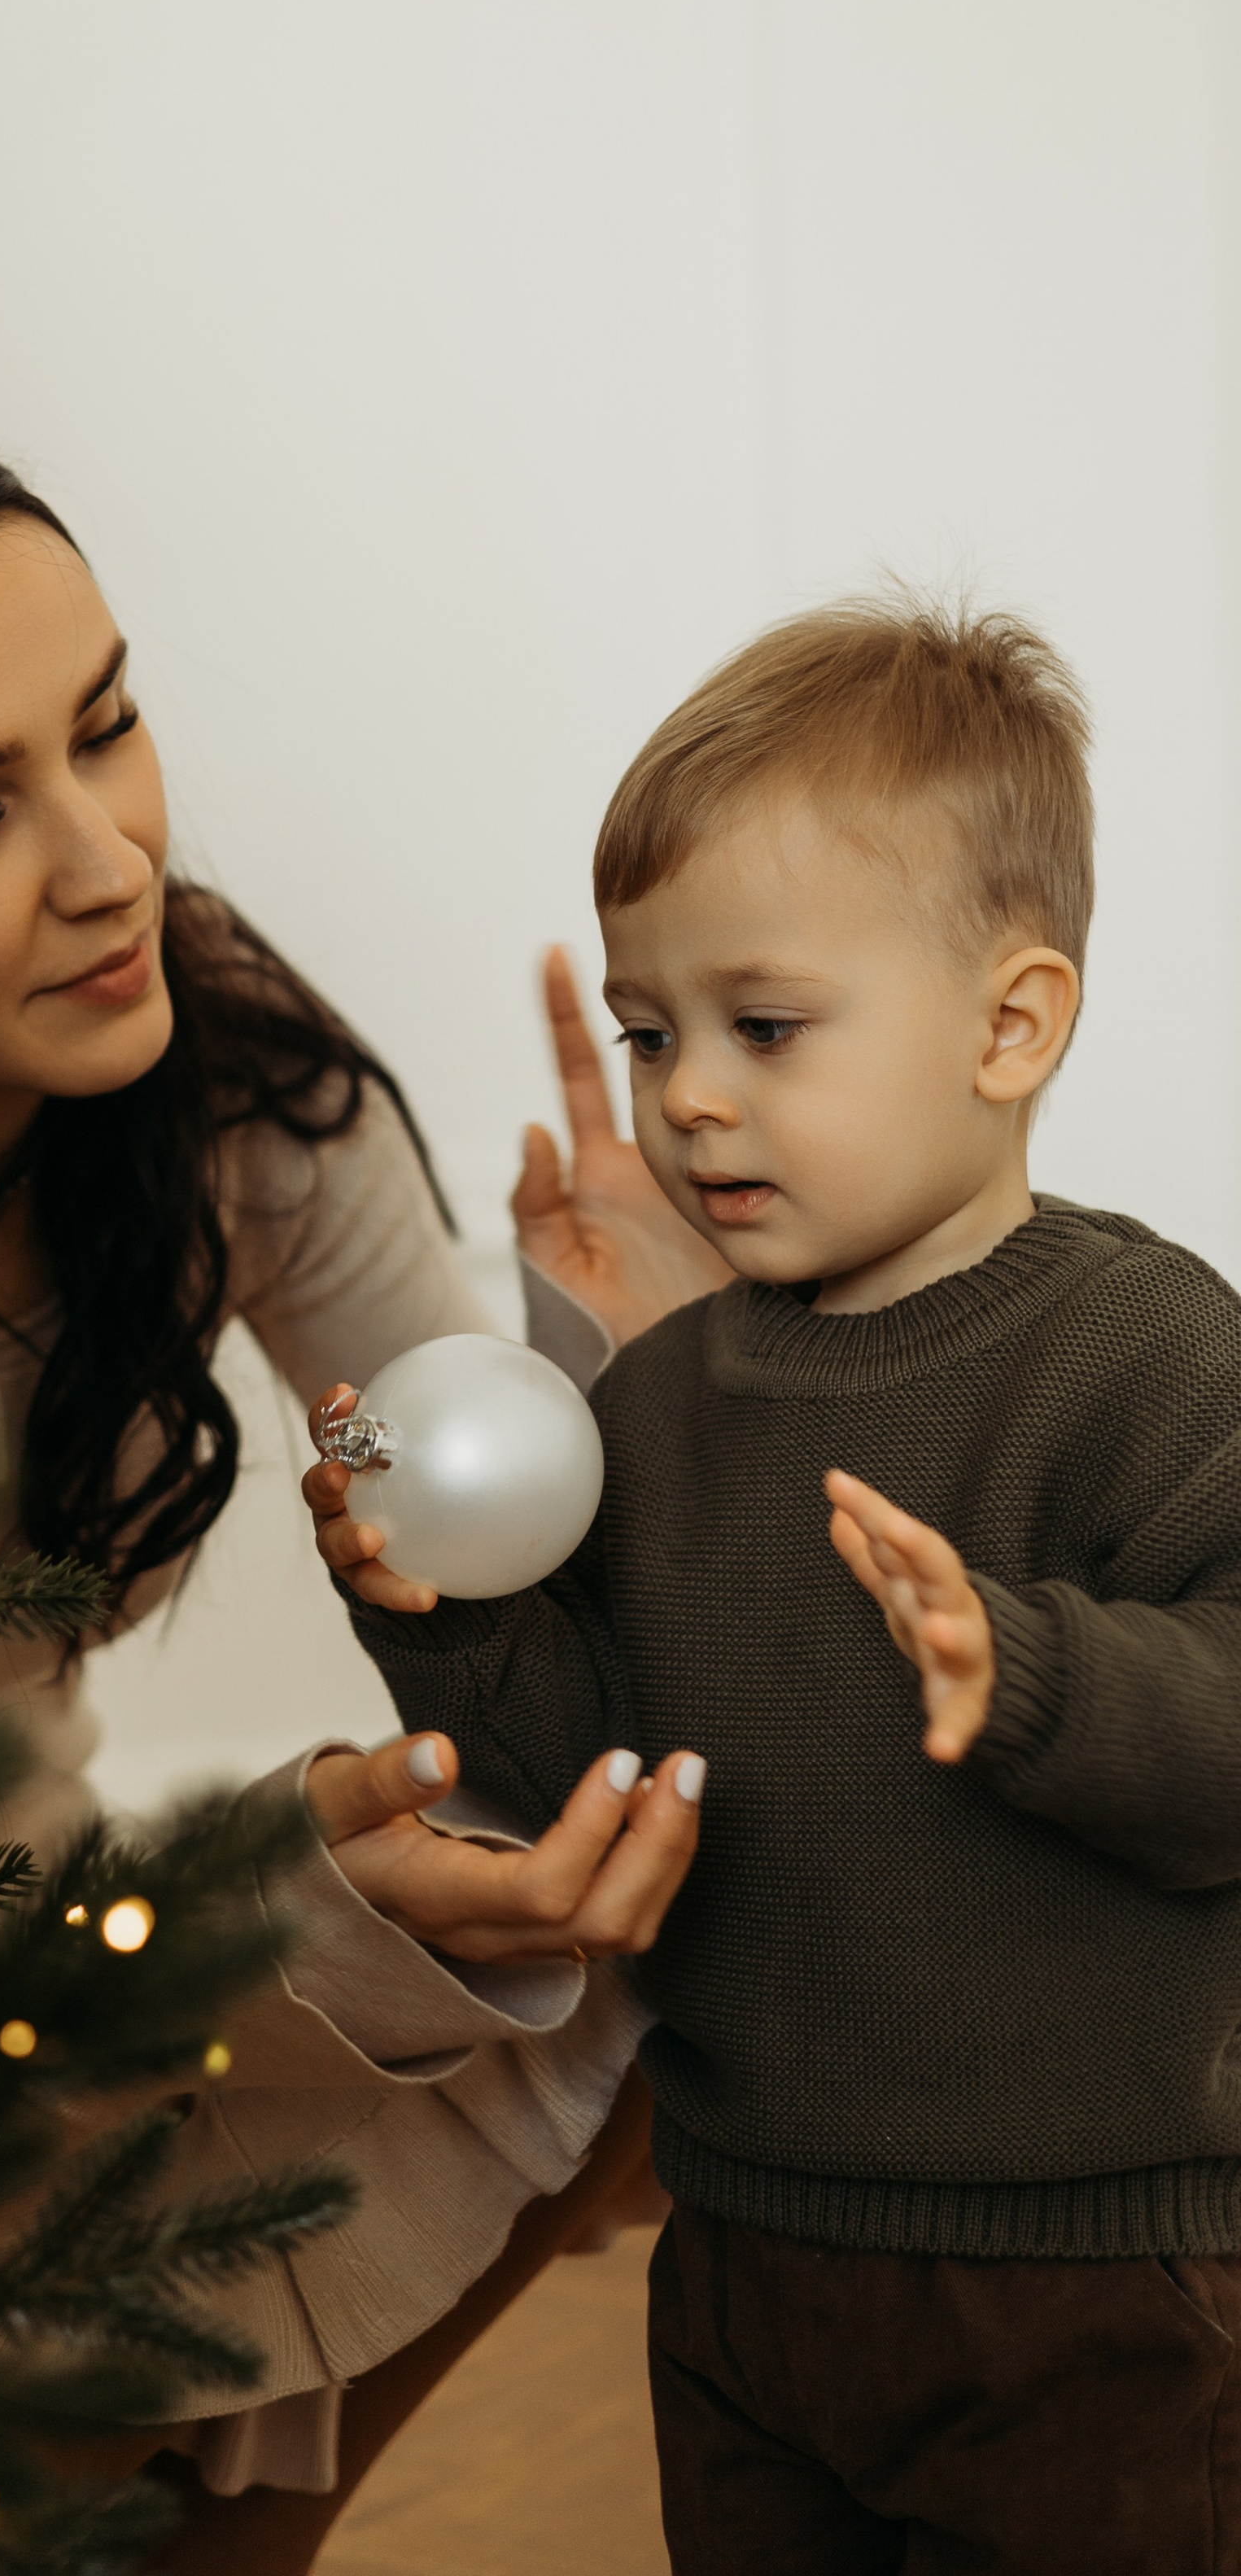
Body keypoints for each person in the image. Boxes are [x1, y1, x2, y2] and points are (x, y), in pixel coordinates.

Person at [0, 400, 715, 2576]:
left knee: (669, 1910)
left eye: (108, 728)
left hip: (94, 1978)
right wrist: (291, 1894)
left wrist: (651, 1359)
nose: (108, 862)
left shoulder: (215, 1066)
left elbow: (510, 1574)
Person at [314, 594, 1241, 2576]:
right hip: (743, 2253)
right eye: (649, 1034)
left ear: (1007, 1026)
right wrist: (441, 1610)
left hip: (1086, 2285)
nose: (685, 1097)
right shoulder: (658, 1403)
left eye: (762, 1027)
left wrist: (1031, 1674)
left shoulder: (1144, 1355)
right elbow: (581, 1767)